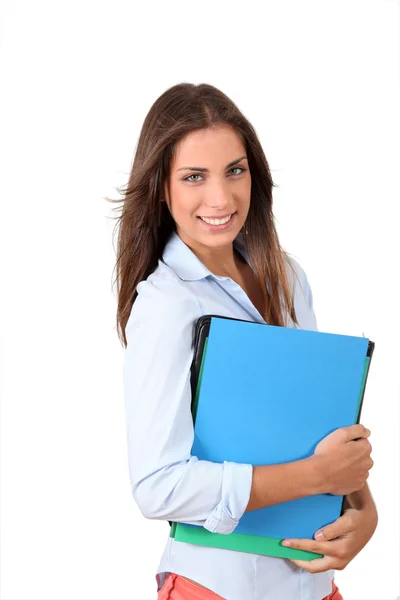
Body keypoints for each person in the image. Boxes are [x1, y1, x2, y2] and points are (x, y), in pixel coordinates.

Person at [110, 83, 378, 600]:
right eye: (194, 178)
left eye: (235, 170)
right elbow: (157, 486)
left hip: (313, 584)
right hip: (219, 586)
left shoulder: (286, 275)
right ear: (162, 190)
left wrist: (363, 511)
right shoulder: (166, 304)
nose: (221, 198)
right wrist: (312, 475)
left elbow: (314, 420)